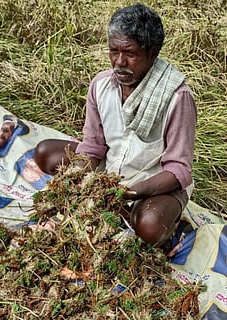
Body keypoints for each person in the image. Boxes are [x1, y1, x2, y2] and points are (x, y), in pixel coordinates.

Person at [34, 3, 197, 246]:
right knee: (45, 152)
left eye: (130, 54)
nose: (119, 62)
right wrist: (78, 182)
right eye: (113, 51)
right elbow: (93, 148)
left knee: (150, 227)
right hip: (110, 172)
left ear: (152, 53)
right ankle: (121, 210)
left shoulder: (176, 98)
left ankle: (163, 221)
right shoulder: (101, 86)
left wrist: (129, 193)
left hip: (153, 183)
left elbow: (178, 171)